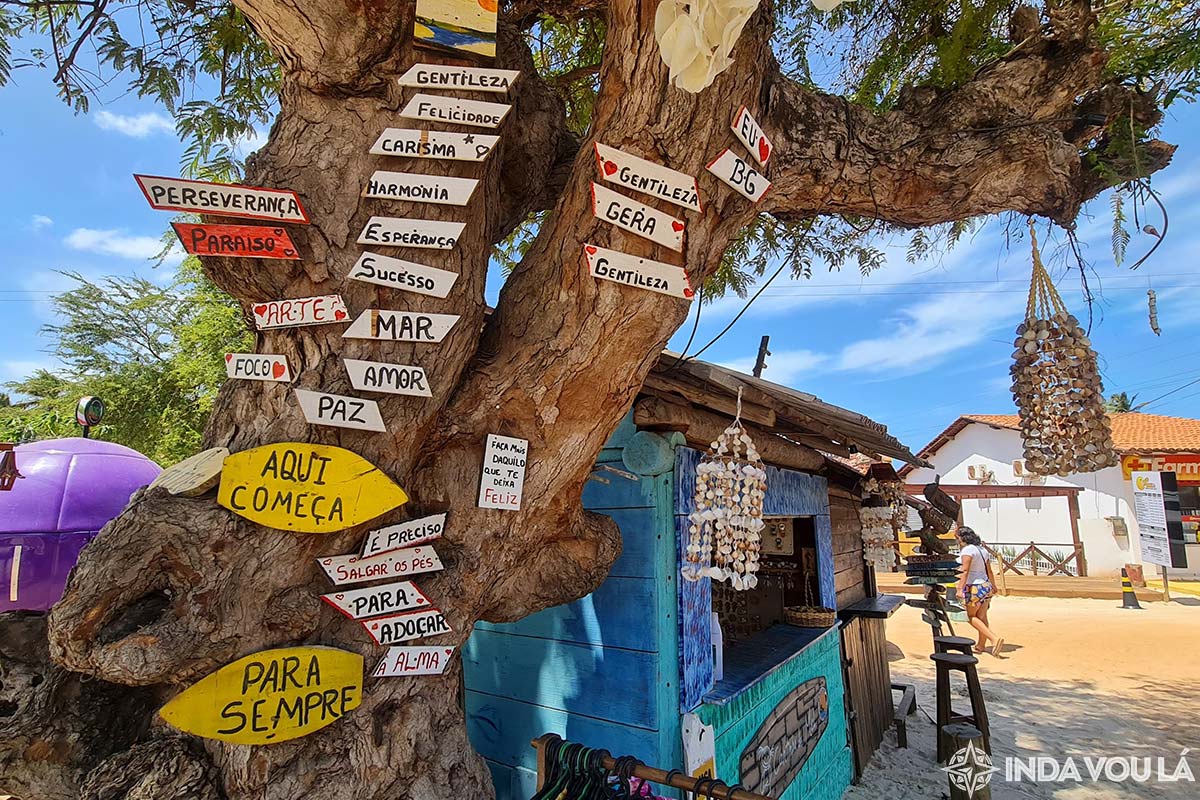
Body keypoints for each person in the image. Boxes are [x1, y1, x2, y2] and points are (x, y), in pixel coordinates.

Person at [956, 526, 1004, 656]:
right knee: (982, 616)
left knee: (971, 617)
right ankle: (981, 645)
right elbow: (989, 570)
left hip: (974, 587)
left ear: (962, 538)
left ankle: (993, 638)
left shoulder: (968, 550)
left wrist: (960, 588)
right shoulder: (982, 550)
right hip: (985, 586)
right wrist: (993, 585)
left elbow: (964, 571)